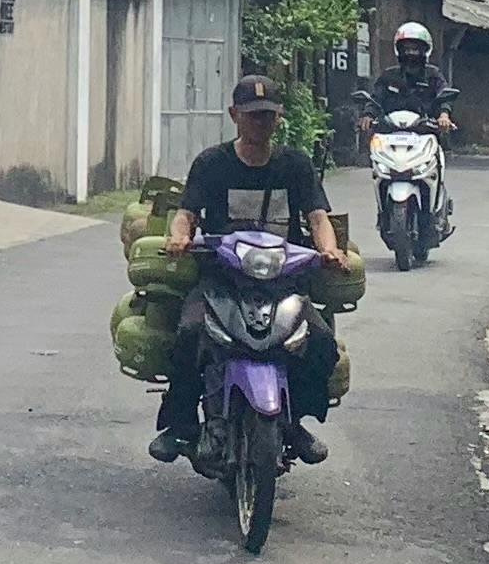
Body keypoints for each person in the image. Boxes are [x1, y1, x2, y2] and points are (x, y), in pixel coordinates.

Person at [149, 71, 350, 468]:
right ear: (234, 115)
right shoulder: (212, 163)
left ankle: (295, 422)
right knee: (189, 333)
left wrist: (329, 250)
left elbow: (317, 216)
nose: (260, 122)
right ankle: (181, 424)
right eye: (252, 114)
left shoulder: (295, 164)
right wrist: (179, 238)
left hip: (283, 282)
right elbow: (186, 213)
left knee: (321, 342)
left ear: (279, 118)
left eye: (268, 115)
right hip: (222, 281)